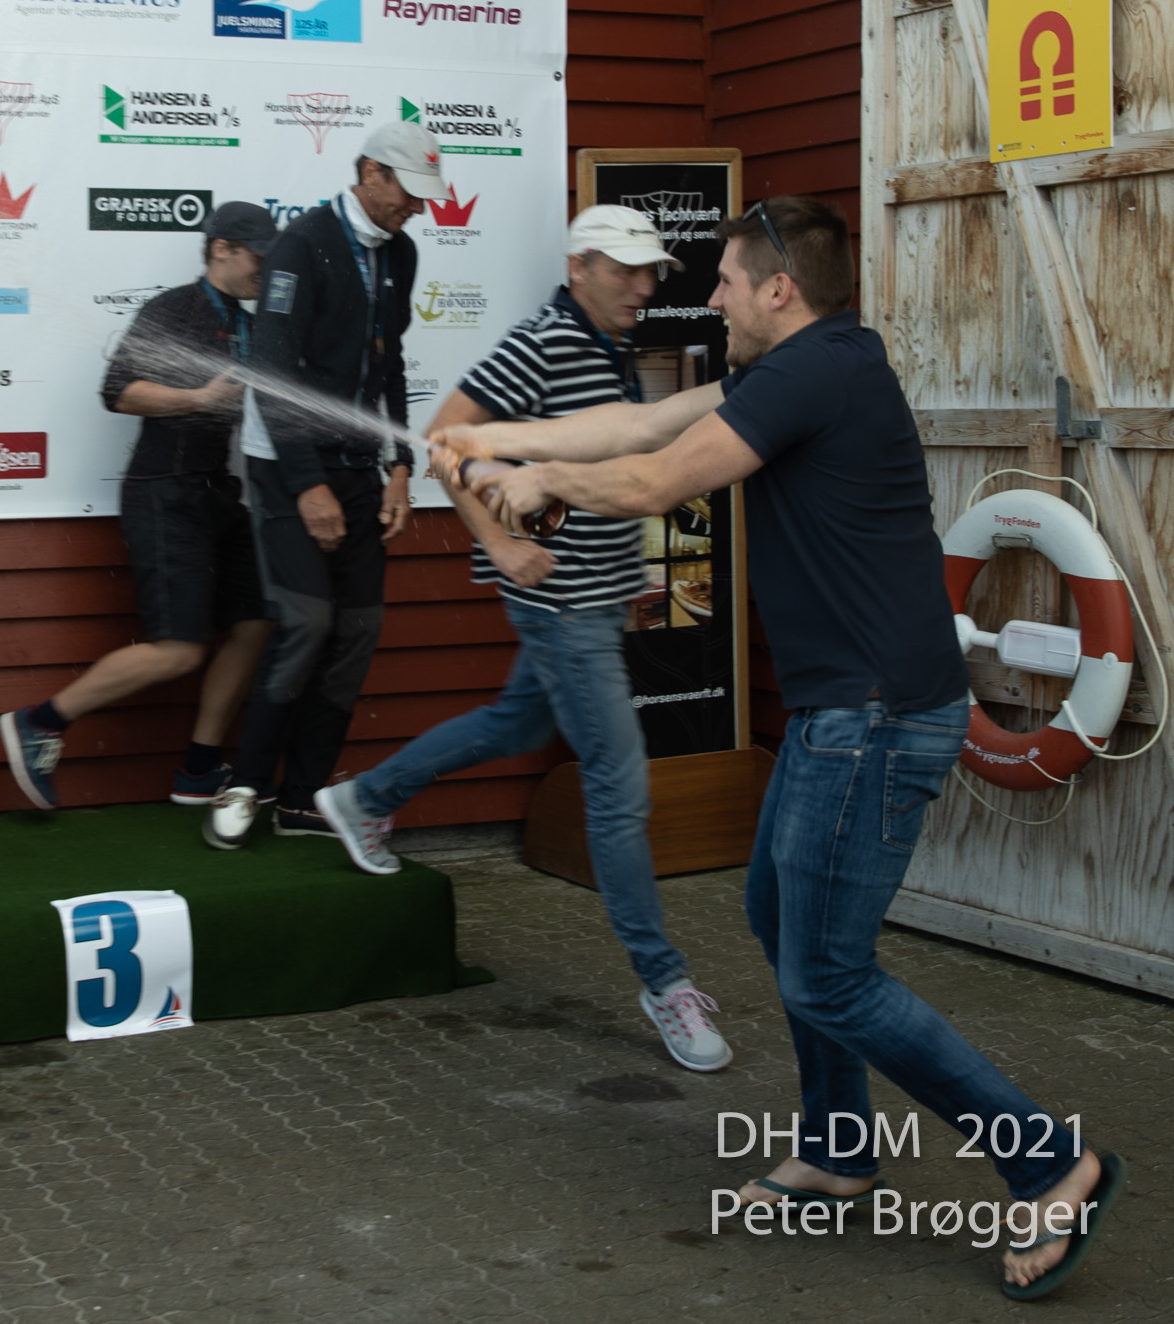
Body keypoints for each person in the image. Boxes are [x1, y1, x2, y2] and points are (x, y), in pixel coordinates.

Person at [438, 196, 1123, 1299]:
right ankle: (839, 1148)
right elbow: (638, 429)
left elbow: (653, 481)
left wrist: (539, 481)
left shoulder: (818, 370)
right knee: (775, 917)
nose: (707, 299)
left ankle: (1049, 1162)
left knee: (829, 974)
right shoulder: (799, 368)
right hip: (841, 714)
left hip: (875, 718)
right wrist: (492, 439)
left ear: (777, 289)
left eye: (722, 281)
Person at [316, 206, 731, 1074]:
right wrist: (501, 545)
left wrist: (623, 572)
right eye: (626, 269)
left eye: (652, 271)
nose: (645, 286)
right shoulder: (540, 342)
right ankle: (665, 982)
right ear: (580, 267)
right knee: (618, 791)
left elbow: (606, 462)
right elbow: (444, 440)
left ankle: (363, 799)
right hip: (558, 605)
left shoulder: (610, 344)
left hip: (592, 597)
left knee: (515, 721)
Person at [201, 121, 441, 849]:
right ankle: (245, 783)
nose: (418, 207)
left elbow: (389, 363)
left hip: (359, 463)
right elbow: (274, 371)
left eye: (424, 195)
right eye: (407, 190)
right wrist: (308, 484)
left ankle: (302, 797)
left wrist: (399, 465)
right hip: (285, 463)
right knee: (306, 623)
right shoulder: (301, 245)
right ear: (370, 173)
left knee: (359, 628)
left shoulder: (402, 251)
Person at [0, 203, 278, 809]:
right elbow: (118, 391)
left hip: (219, 493)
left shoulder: (251, 323)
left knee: (256, 622)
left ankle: (199, 770)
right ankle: (40, 722)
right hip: (165, 491)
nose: (267, 269)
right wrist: (199, 397)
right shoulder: (174, 309)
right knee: (179, 649)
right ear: (222, 249)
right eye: (259, 256)